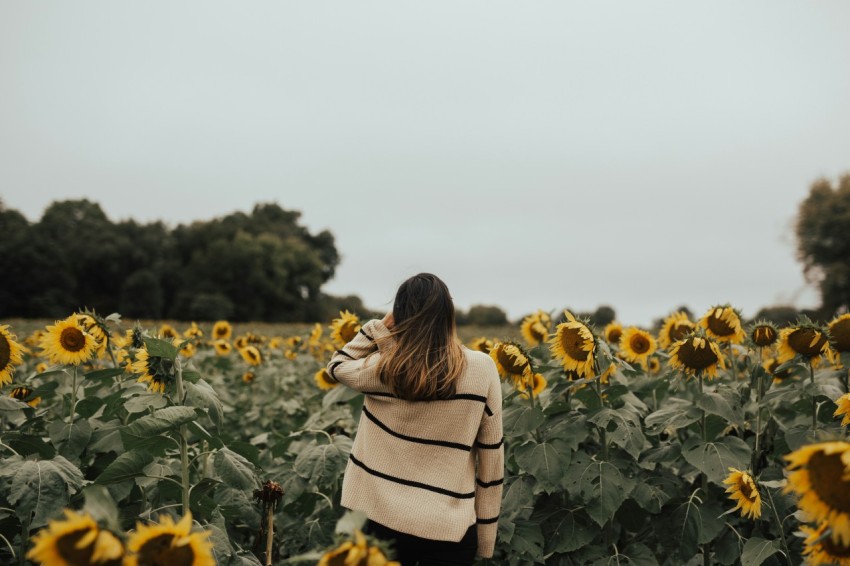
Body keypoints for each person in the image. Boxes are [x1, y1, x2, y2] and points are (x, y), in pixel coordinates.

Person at [326, 273, 504, 565]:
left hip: (378, 522)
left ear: (400, 316)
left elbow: (337, 365)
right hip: (449, 531)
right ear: (449, 315)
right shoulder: (482, 369)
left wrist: (378, 330)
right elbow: (491, 462)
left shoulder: (381, 370)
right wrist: (484, 541)